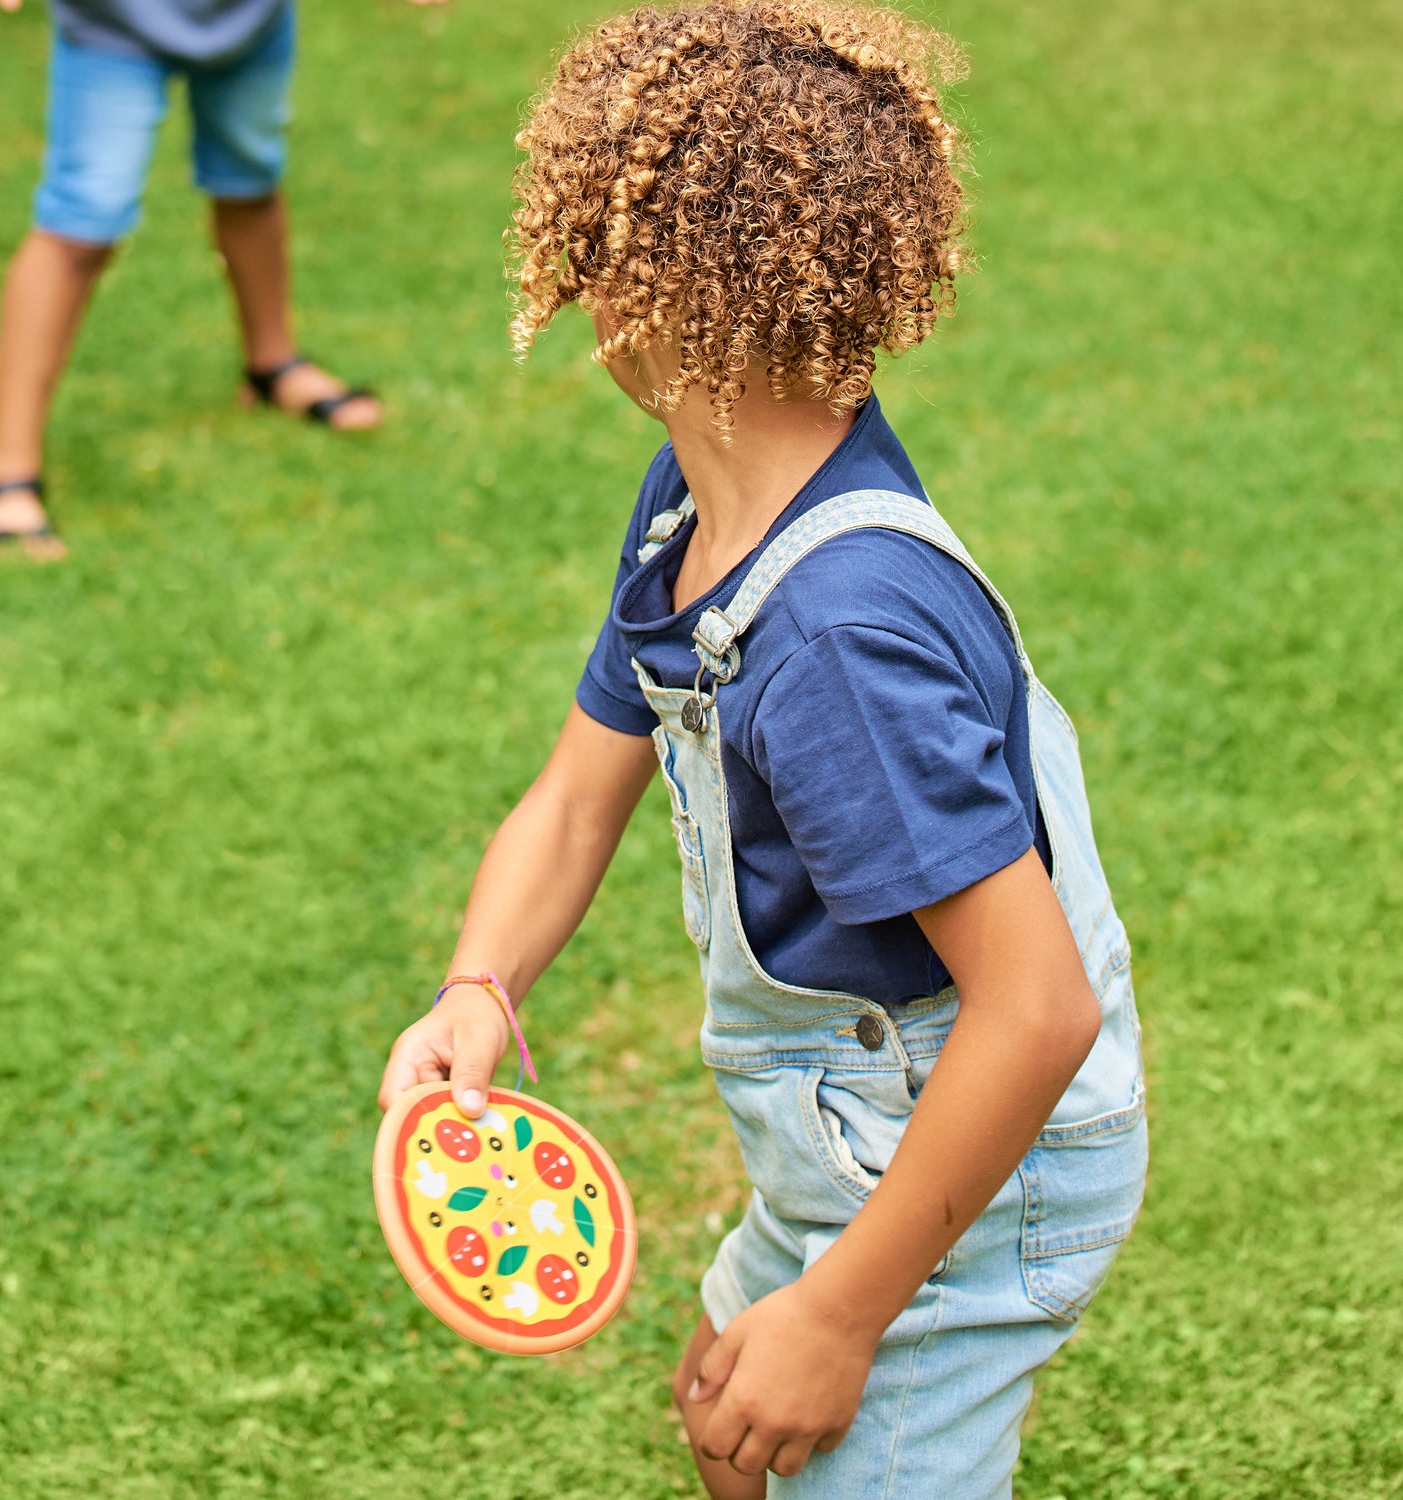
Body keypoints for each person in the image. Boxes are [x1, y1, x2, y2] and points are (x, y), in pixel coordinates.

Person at [377, 2, 1148, 1494]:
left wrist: (846, 1314)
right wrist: (480, 987)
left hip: (977, 1162)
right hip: (853, 1134)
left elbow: (1036, 1011)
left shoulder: (837, 643)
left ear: (649, 295)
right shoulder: (692, 511)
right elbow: (572, 793)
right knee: (732, 1417)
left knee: (794, 1399)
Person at [0, 0, 400, 556]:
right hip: (113, 25)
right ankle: (6, 464)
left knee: (250, 178)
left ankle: (272, 364)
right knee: (82, 219)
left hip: (249, 20)